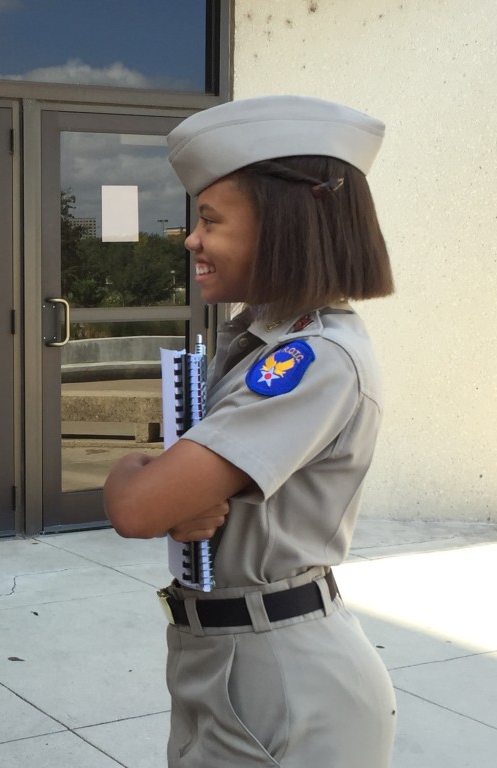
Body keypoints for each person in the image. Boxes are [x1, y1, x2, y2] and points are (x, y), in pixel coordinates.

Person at [104, 95, 397, 767]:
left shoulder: (314, 359)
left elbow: (138, 507)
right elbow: (172, 494)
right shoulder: (261, 341)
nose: (191, 239)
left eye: (210, 220)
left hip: (285, 679)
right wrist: (170, 482)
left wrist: (138, 472)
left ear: (282, 227)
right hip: (231, 657)